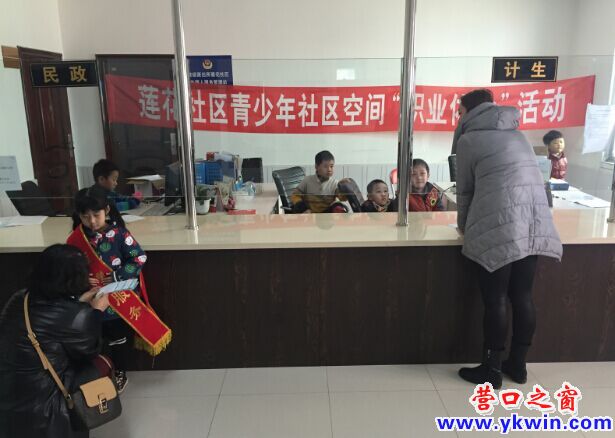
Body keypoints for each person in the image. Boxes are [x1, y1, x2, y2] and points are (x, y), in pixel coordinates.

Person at [454, 89, 563, 389]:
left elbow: (465, 190)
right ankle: (518, 365)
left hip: (498, 224)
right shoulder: (518, 135)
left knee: (496, 299)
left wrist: (464, 227)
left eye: (460, 112)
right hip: (533, 223)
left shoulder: (468, 140)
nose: (458, 118)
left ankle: (491, 369)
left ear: (471, 112)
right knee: (523, 296)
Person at [0, 244, 111, 438]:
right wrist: (96, 312)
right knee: (100, 364)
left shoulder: (19, 298)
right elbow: (89, 351)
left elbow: (54, 320)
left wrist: (79, 304)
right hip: (48, 409)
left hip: (9, 394)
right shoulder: (77, 316)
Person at [68, 188, 148, 393]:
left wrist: (116, 275)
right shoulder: (76, 239)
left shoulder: (119, 234)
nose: (92, 221)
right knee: (95, 339)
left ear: (107, 210)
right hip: (90, 299)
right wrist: (82, 279)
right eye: (85, 216)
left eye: (96, 214)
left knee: (118, 339)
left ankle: (119, 371)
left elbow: (139, 258)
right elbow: (68, 267)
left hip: (117, 299)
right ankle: (99, 373)